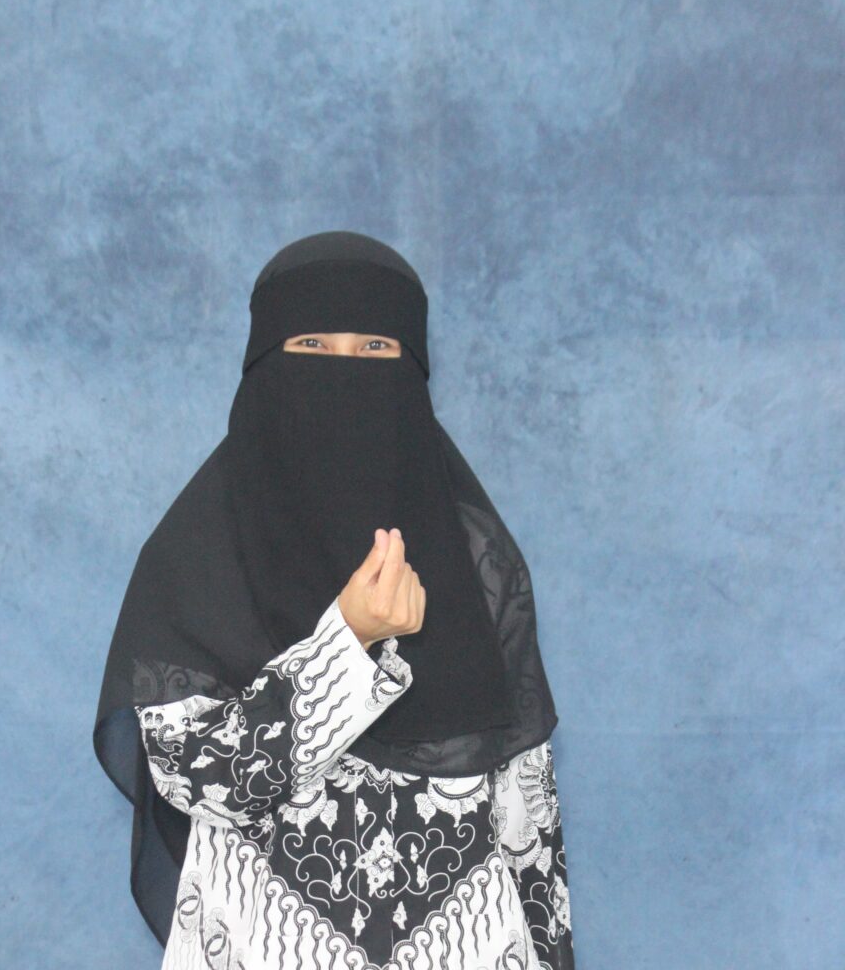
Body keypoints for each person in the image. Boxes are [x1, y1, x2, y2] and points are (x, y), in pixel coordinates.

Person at [93, 231, 575, 970]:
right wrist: (347, 641)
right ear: (265, 362)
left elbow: (527, 817)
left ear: (413, 370)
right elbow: (199, 778)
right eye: (312, 344)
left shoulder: (477, 556)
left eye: (376, 348)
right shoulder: (197, 554)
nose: (344, 373)